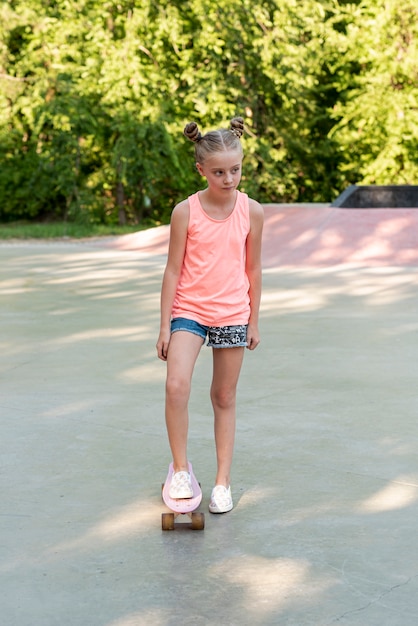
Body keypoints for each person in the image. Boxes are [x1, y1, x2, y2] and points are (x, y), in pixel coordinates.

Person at [156, 116, 263, 513]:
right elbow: (172, 270)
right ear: (200, 169)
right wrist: (166, 325)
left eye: (235, 170)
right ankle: (181, 470)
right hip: (189, 311)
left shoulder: (252, 211)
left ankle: (222, 482)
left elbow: (253, 268)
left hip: (233, 312)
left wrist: (254, 319)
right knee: (176, 386)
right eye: (219, 172)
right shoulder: (185, 212)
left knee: (224, 395)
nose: (229, 178)